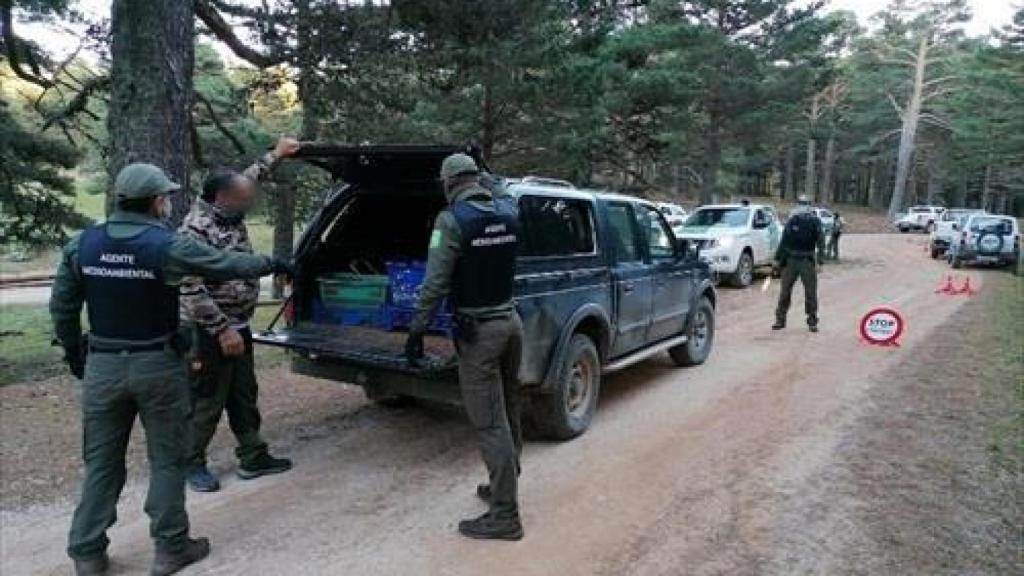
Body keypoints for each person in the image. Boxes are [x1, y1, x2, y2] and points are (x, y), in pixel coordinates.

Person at [49, 163, 293, 576]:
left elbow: (63, 308)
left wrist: (76, 354)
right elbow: (227, 264)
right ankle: (171, 548)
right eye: (165, 196)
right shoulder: (166, 244)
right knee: (167, 461)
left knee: (102, 463)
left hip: (104, 368)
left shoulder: (83, 245)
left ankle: (87, 552)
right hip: (158, 366)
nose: (168, 202)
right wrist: (277, 263)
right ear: (156, 201)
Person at [404, 153, 525, 541]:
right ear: (477, 179)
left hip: (481, 334)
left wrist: (416, 331)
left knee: (490, 422)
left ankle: (505, 515)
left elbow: (435, 282)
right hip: (511, 324)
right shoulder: (508, 210)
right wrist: (484, 173)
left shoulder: (450, 221)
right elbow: (501, 186)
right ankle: (503, 485)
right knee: (508, 407)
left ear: (447, 183)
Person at [180, 137, 301, 493]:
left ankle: (253, 455)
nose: (249, 203)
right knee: (207, 399)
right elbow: (189, 288)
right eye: (243, 199)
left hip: (239, 325)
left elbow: (251, 177)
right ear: (222, 198)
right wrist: (221, 330)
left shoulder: (229, 207)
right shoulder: (195, 229)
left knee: (244, 394)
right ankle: (191, 464)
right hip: (208, 332)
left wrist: (277, 155)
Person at [773, 194, 826, 333]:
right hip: (790, 260)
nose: (803, 205)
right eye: (801, 203)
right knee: (784, 292)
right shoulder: (792, 220)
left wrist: (820, 261)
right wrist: (778, 260)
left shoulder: (815, 221)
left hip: (807, 260)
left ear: (810, 205)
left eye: (805, 203)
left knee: (810, 292)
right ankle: (780, 320)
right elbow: (784, 241)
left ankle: (812, 321)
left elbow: (821, 242)